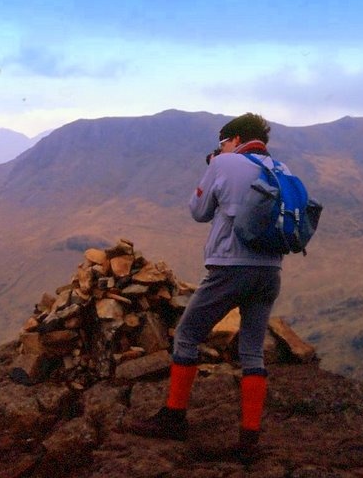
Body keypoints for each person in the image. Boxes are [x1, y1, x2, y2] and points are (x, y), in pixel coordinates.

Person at [128, 113, 286, 462]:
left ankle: (174, 417)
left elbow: (199, 211)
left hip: (231, 267)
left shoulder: (225, 162)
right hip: (270, 272)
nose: (221, 149)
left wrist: (214, 167)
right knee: (252, 350)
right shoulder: (281, 168)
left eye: (222, 143)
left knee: (187, 335)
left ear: (234, 139)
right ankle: (249, 439)